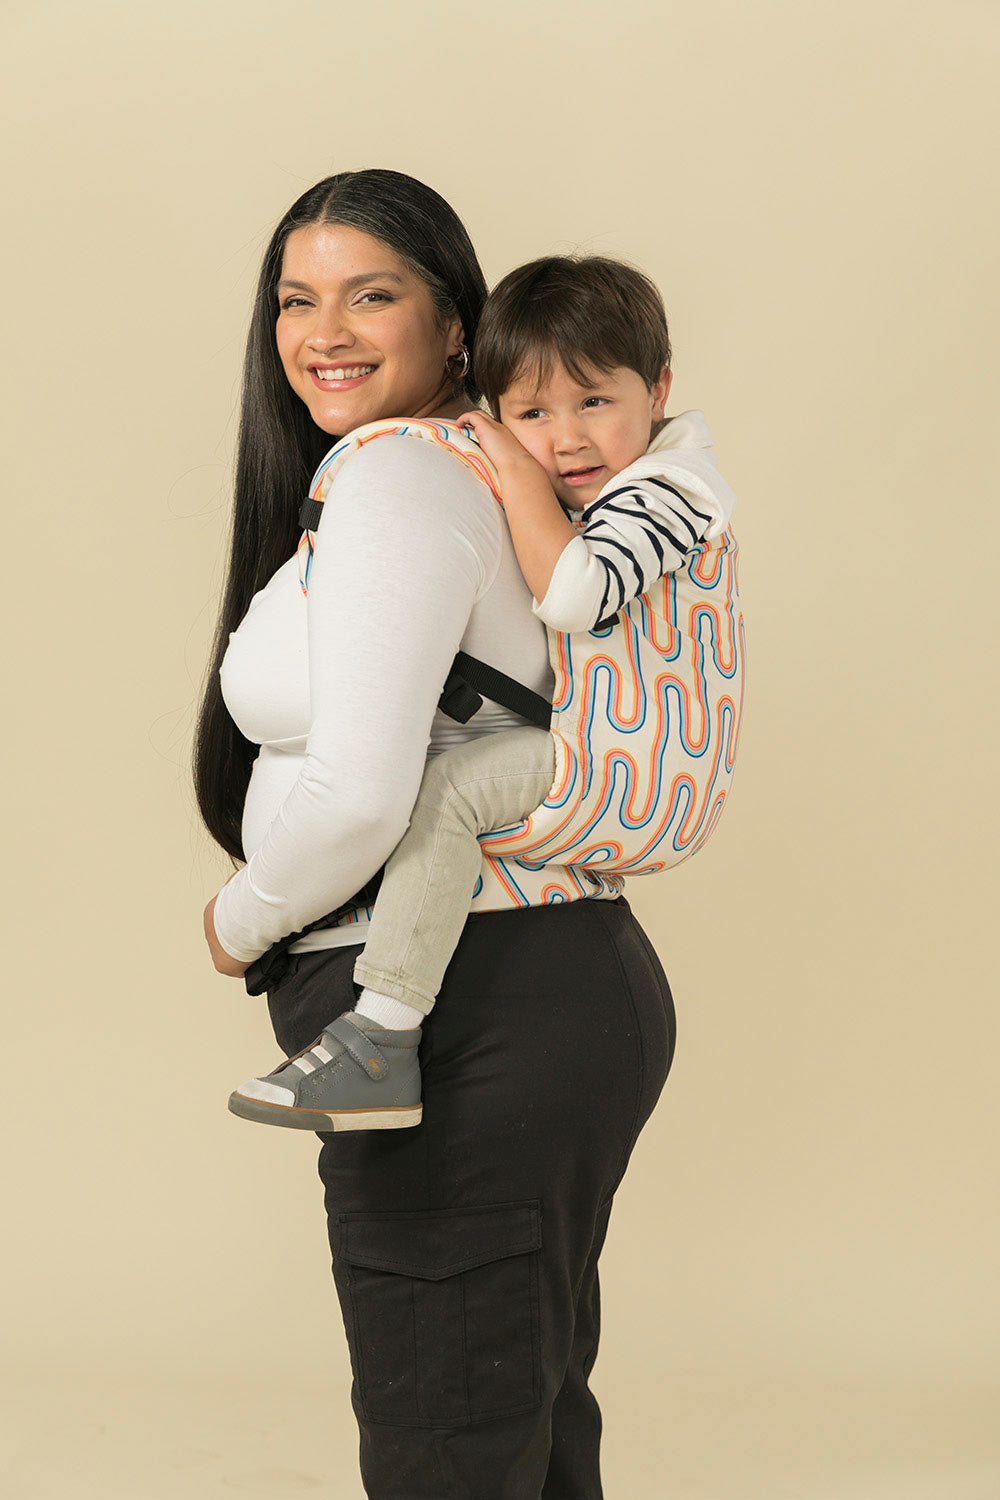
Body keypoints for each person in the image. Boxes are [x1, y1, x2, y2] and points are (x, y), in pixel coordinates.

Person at [195, 167, 677, 1499]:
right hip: (532, 991)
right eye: (298, 300)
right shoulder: (447, 471)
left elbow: (360, 790)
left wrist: (238, 925)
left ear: (455, 326)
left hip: (468, 1016)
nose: (325, 332)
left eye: (373, 295)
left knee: (449, 1445)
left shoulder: (403, 482)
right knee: (510, 1421)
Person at [225, 253, 741, 1134]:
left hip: (623, 750)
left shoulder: (675, 486)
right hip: (600, 749)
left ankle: (383, 1031)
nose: (566, 438)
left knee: (449, 794)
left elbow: (578, 592)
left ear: (658, 390)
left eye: (593, 402)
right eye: (533, 412)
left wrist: (503, 453)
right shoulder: (600, 482)